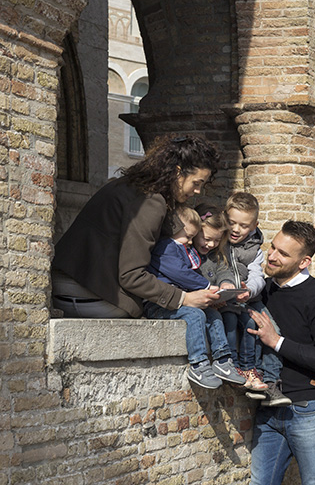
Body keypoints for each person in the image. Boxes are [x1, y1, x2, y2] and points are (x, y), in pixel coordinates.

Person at [52, 135, 222, 318]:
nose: (197, 191)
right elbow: (132, 276)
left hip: (67, 287)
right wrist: (184, 298)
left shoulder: (132, 187)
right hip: (88, 294)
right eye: (196, 183)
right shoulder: (150, 202)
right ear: (177, 172)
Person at [245, 220, 315, 485]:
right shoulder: (263, 292)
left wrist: (276, 341)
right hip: (268, 407)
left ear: (304, 262)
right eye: (272, 247)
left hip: (308, 410)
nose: (272, 256)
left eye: (283, 254)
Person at [144, 206, 246, 389]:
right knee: (196, 315)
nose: (190, 242)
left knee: (213, 315)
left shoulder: (180, 247)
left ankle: (222, 359)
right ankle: (198, 364)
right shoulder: (166, 246)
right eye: (189, 236)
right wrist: (206, 286)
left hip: (177, 301)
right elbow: (180, 273)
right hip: (158, 303)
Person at [219, 192, 289, 405]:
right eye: (232, 223)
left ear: (254, 225)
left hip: (249, 297)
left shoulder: (254, 250)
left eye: (243, 225)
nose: (236, 229)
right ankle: (248, 372)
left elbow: (258, 275)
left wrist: (249, 290)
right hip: (227, 299)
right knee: (244, 325)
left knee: (271, 329)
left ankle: (270, 381)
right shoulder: (217, 241)